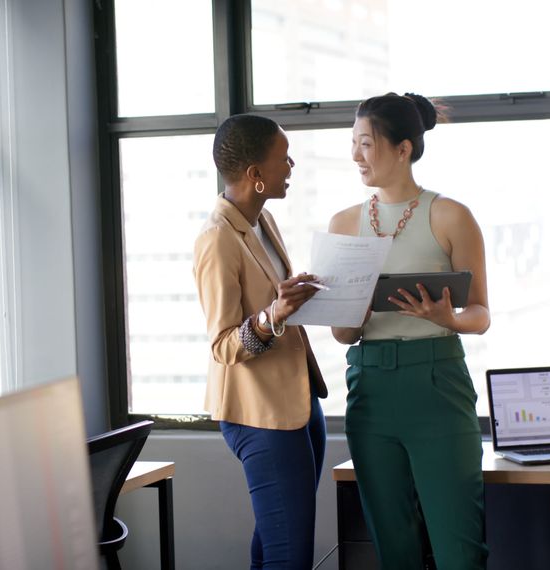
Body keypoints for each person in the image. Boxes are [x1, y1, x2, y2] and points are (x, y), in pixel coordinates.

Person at [329, 93, 491, 569]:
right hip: (369, 389)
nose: (356, 155)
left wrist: (449, 319)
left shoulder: (450, 215)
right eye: (353, 144)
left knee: (458, 549)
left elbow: (481, 312)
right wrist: (349, 313)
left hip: (438, 385)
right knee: (393, 550)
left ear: (403, 149)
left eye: (366, 143)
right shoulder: (343, 224)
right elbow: (342, 335)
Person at [194, 114, 329, 569]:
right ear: (255, 175)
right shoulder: (217, 239)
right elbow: (223, 345)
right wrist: (274, 314)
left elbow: (275, 300)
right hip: (261, 415)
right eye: (282, 158)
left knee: (276, 545)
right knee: (290, 557)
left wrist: (297, 296)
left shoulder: (261, 219)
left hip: (298, 402)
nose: (291, 166)